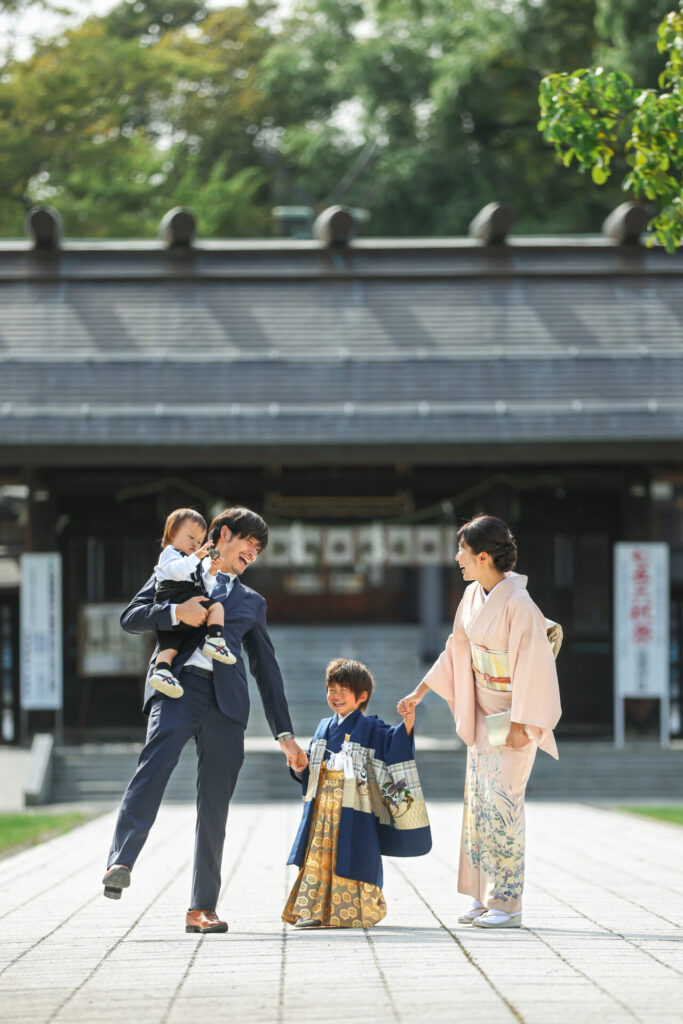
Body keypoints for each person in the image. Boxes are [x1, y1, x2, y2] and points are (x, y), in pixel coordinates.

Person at [102, 506, 308, 934]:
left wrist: (285, 735)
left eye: (258, 550)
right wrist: (177, 615)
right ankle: (120, 860)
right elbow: (131, 618)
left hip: (227, 705)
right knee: (152, 770)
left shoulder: (252, 602)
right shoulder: (178, 570)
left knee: (214, 807)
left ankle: (202, 908)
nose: (253, 553)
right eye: (249, 543)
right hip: (178, 688)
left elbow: (266, 672)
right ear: (224, 534)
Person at [398, 515, 561, 930]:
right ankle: (480, 895)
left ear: (484, 556)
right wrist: (421, 690)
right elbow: (457, 650)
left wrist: (524, 721)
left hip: (512, 715)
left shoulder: (520, 605)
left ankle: (507, 902)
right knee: (479, 806)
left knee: (505, 804)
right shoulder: (472, 595)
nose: (457, 559)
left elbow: (534, 663)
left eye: (463, 552)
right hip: (480, 710)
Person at [283, 658, 432, 929]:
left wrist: (407, 722)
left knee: (354, 854)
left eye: (343, 690)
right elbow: (309, 772)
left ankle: (351, 911)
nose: (335, 696)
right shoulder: (323, 727)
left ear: (361, 696)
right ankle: (314, 911)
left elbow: (394, 745)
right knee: (317, 857)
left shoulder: (371, 728)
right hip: (323, 809)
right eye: (331, 689)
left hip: (354, 808)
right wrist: (299, 767)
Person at [149, 507, 236, 700]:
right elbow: (176, 572)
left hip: (185, 601)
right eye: (191, 538)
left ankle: (162, 672)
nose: (195, 544)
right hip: (173, 598)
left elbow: (205, 586)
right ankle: (215, 639)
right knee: (216, 607)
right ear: (172, 533)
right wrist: (196, 557)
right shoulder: (170, 553)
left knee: (170, 646)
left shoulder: (191, 561)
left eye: (199, 541)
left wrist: (212, 571)